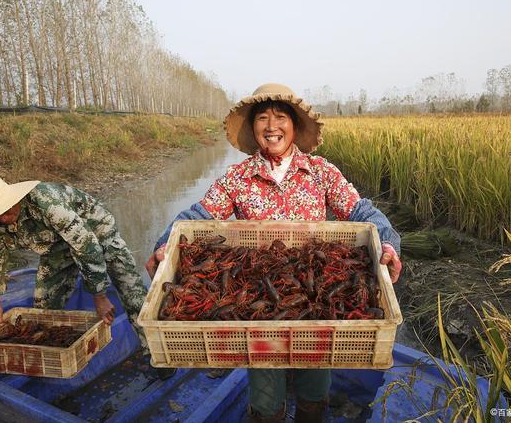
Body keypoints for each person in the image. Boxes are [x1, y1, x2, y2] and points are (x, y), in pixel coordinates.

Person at [146, 83, 402, 422]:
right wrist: (164, 246)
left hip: (318, 315)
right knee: (266, 400)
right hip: (260, 310)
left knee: (315, 388)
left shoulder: (323, 173)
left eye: (280, 117)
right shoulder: (236, 179)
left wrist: (387, 243)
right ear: (253, 129)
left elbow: (363, 213)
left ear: (294, 125)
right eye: (262, 118)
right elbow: (196, 219)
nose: (271, 126)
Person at [0, 174, 176, 380]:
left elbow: (87, 247)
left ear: (13, 197)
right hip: (56, 246)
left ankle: (158, 355)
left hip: (96, 232)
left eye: (5, 210)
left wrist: (99, 295)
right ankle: (48, 362)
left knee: (131, 293)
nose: (2, 216)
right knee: (42, 308)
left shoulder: (47, 203)